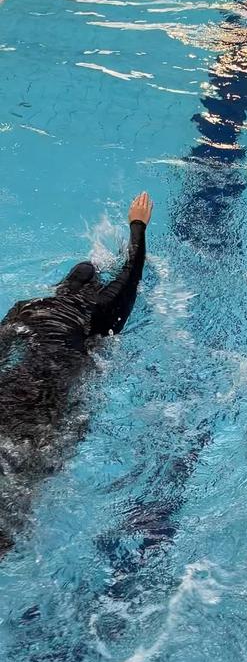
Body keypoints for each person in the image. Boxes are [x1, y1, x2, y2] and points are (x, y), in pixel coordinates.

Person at [0, 192, 153, 554]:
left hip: (9, 392)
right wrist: (138, 226)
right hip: (44, 404)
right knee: (28, 470)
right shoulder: (96, 312)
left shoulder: (25, 308)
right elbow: (130, 276)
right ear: (96, 289)